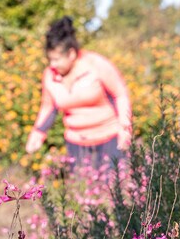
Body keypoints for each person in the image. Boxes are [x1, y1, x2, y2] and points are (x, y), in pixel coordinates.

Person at [25, 17, 133, 169]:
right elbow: (48, 107)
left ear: (71, 54)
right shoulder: (50, 74)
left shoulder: (96, 64)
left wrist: (125, 129)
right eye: (50, 59)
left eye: (56, 59)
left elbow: (120, 95)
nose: (52, 64)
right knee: (81, 184)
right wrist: (38, 133)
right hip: (76, 144)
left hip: (110, 139)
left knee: (112, 183)